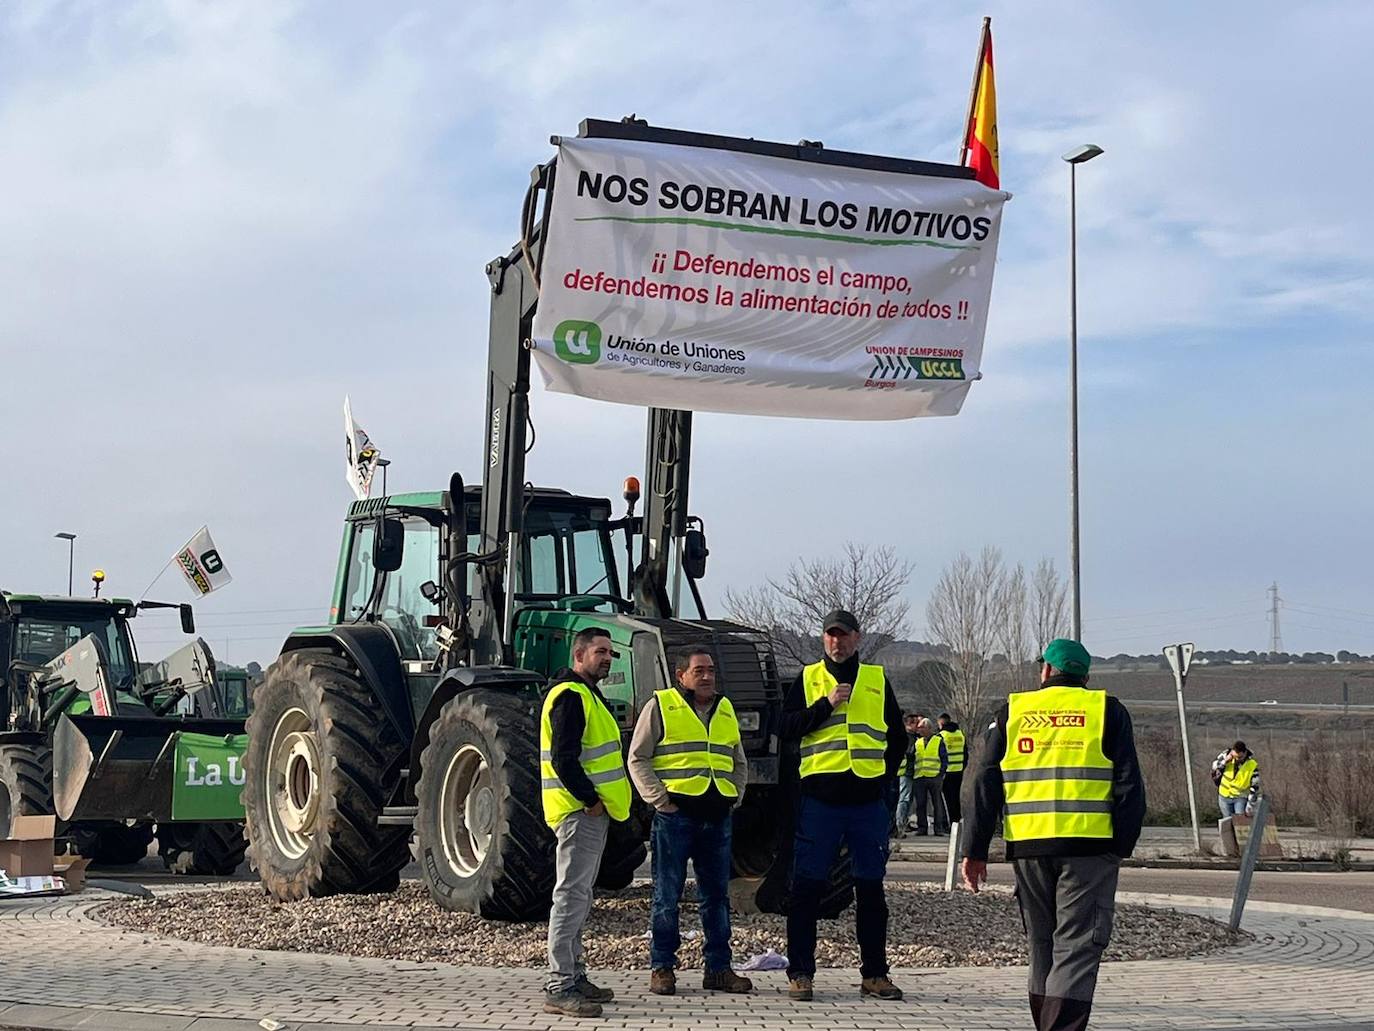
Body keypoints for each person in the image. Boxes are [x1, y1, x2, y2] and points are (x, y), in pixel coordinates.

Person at [962, 638, 1146, 1031]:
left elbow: (985, 782)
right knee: (1077, 950)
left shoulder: (1013, 711)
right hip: (1089, 848)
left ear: (1045, 670)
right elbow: (1129, 786)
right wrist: (1120, 847)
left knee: (1042, 947)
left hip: (1029, 849)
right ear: (1085, 677)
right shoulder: (1106, 711)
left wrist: (974, 850)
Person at [781, 609, 907, 1002]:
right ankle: (801, 973)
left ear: (857, 637)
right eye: (830, 635)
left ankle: (874, 975)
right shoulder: (807, 679)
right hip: (820, 803)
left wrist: (882, 777)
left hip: (867, 804)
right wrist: (825, 705)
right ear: (823, 640)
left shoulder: (875, 679)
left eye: (843, 635)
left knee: (871, 891)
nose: (836, 642)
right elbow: (784, 729)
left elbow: (898, 738)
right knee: (806, 889)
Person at [627, 647, 754, 996]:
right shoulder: (662, 706)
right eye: (699, 670)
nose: (707, 676)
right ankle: (662, 967)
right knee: (667, 895)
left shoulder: (725, 709)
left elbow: (737, 760)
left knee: (716, 897)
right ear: (681, 675)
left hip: (716, 818)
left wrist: (734, 796)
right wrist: (660, 801)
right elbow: (637, 758)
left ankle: (718, 969)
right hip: (675, 818)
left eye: (711, 670)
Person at [539, 627, 632, 1018]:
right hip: (579, 812)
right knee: (571, 897)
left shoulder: (590, 697)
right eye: (600, 652)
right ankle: (560, 983)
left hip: (590, 813)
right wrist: (590, 799)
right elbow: (564, 759)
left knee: (579, 897)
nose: (607, 658)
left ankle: (575, 975)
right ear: (579, 656)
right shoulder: (571, 697)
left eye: (610, 652)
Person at [910, 717, 949, 835]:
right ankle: (922, 828)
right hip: (919, 776)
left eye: (922, 728)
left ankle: (939, 829)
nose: (919, 730)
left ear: (928, 728)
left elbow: (944, 759)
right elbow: (912, 757)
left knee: (936, 804)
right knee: (920, 804)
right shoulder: (917, 742)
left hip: (934, 777)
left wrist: (941, 773)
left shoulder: (938, 741)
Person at [1212, 741, 1260, 818]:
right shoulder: (1226, 755)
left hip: (1240, 797)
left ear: (1245, 753)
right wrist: (1225, 761)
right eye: (1235, 756)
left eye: (1240, 757)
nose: (1237, 759)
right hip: (1224, 796)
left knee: (1240, 824)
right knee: (1227, 822)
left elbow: (1255, 786)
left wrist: (1250, 804)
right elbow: (1214, 766)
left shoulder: (1252, 764)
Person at [893, 713, 921, 837]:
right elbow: (909, 753)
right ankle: (900, 824)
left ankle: (903, 822)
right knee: (904, 798)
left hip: (909, 771)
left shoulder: (912, 736)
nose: (918, 726)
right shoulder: (908, 737)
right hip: (905, 772)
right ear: (909, 724)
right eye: (916, 723)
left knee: (907, 799)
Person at [938, 712, 966, 829]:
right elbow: (965, 753)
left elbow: (939, 755)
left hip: (947, 772)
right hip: (959, 771)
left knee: (948, 800)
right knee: (956, 798)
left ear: (941, 723)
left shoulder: (942, 736)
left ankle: (951, 824)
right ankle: (958, 822)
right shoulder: (960, 734)